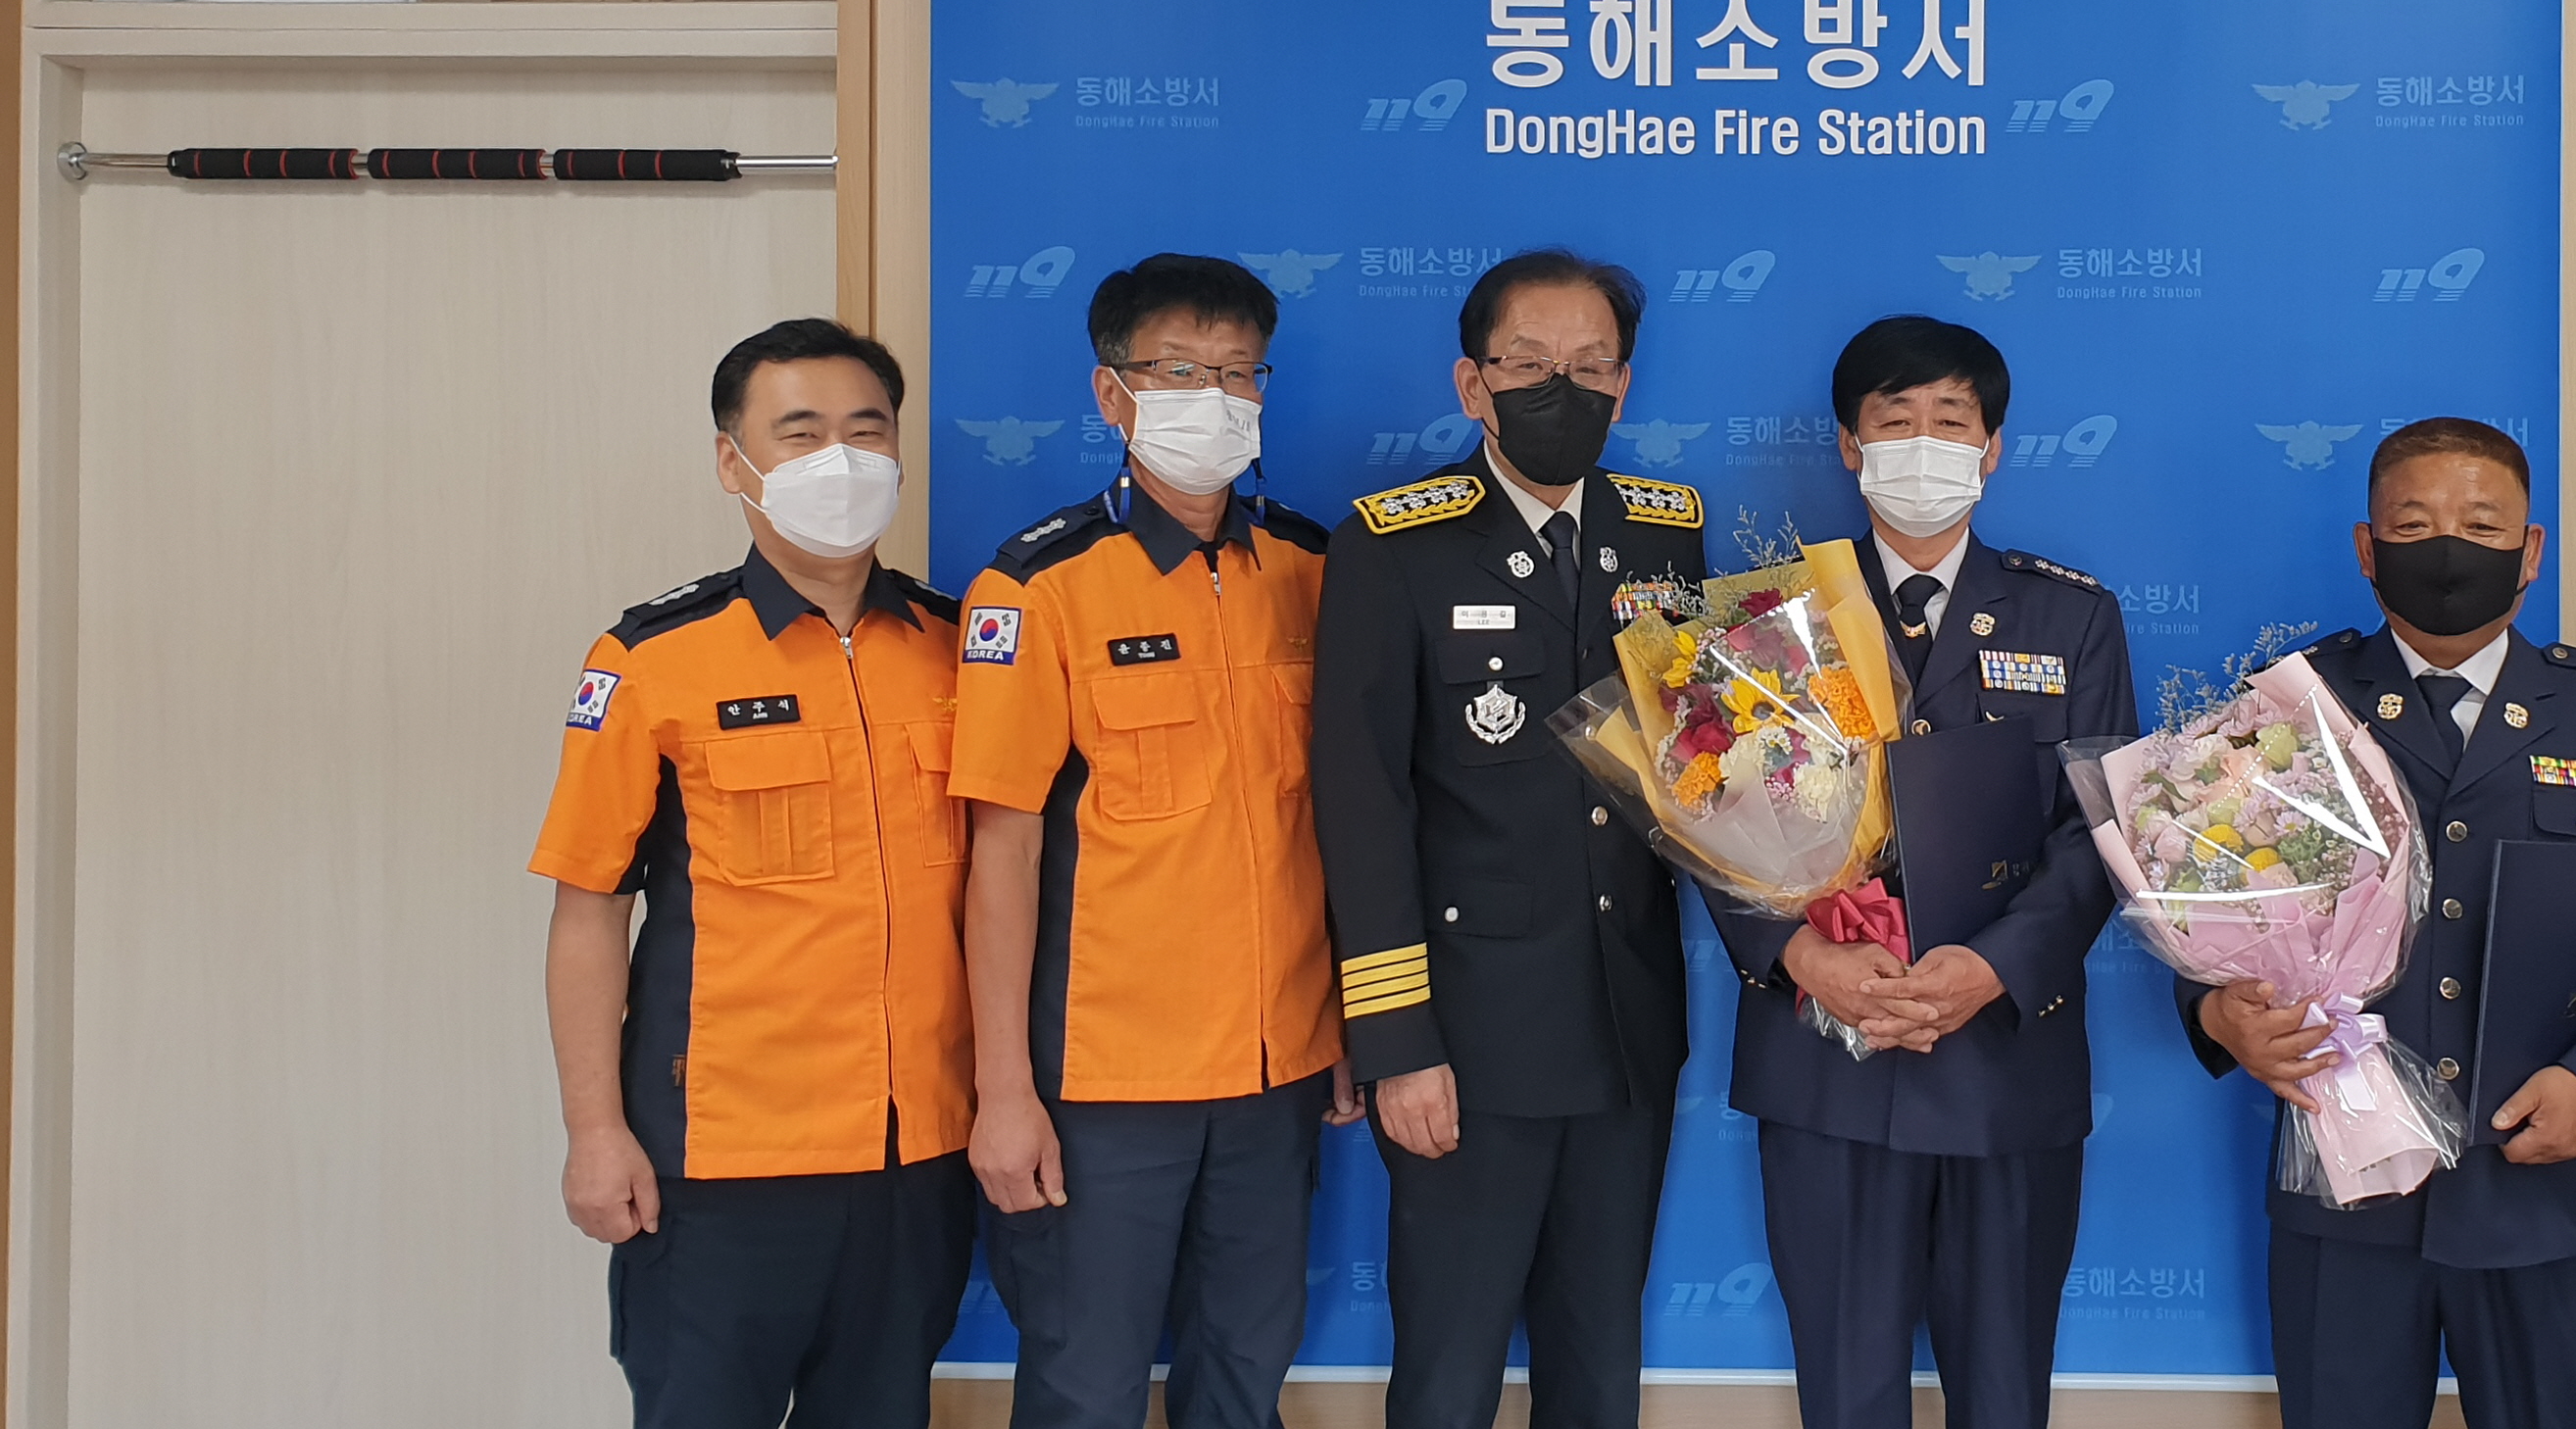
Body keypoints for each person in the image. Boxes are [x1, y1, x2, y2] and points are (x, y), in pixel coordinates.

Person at [2188, 417, 2576, 1429]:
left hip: (2537, 1185)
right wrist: (2218, 1014)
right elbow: (2205, 893)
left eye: (2481, 526)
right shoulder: (2289, 706)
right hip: (2344, 1188)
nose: (2447, 549)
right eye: (2413, 524)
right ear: (2366, 547)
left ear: (2530, 550)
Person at [529, 318, 976, 1429]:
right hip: (721, 1159)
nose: (841, 460)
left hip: (918, 1150)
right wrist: (595, 1133)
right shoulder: (652, 660)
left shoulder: (958, 647)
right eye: (801, 433)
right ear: (734, 462)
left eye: (866, 431)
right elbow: (588, 912)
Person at [950, 254, 1364, 1429]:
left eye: (1238, 373)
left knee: (1247, 1368)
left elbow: (1340, 821)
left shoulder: (1313, 570)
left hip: (1277, 1071)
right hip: (1103, 1082)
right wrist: (1002, 1089)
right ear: (1111, 393)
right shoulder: (1036, 588)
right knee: (1085, 1382)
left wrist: (1344, 1022)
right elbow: (999, 856)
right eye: (1179, 371)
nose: (1214, 398)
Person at [1703, 315, 2133, 1429]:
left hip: (2004, 1062)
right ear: (1850, 445)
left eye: (1951, 419)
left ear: (1992, 449)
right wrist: (1800, 955)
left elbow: (2099, 833)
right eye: (1895, 420)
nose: (1924, 443)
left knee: (2004, 1392)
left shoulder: (2073, 617)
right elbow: (1708, 811)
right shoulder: (1770, 615)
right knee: (1845, 1392)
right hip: (1824, 1059)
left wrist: (1990, 970)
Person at [1309, 249, 1708, 1429]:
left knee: (1599, 1363)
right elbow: (1361, 803)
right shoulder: (1394, 543)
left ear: (1623, 384)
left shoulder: (1664, 535)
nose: (1559, 388)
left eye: (1589, 365)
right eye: (1528, 363)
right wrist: (1395, 1043)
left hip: (1625, 1030)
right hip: (1466, 1043)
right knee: (1450, 1368)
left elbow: (1701, 765)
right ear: (1471, 383)